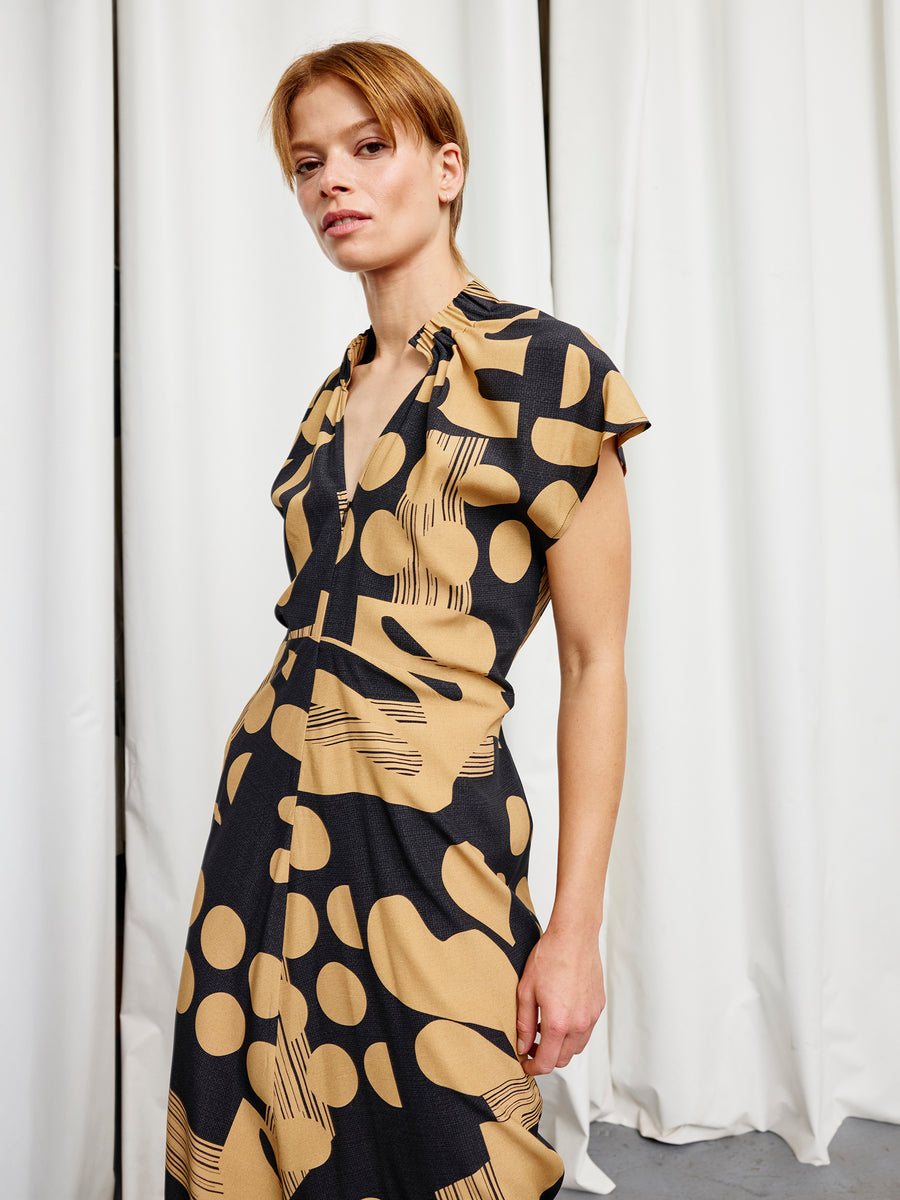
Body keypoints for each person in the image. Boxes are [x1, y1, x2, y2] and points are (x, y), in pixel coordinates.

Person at [165, 39, 649, 1200]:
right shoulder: (331, 396)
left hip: (432, 828)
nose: (331, 181)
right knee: (254, 1139)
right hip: (266, 817)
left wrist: (574, 931)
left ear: (446, 168)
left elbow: (596, 661)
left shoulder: (547, 373)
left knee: (460, 1146)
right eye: (307, 163)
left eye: (367, 149)